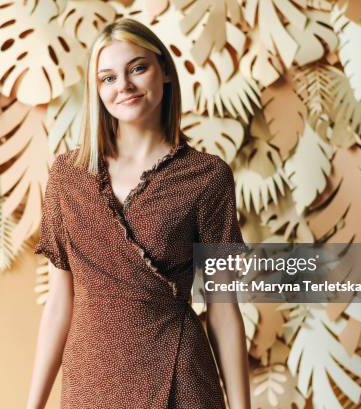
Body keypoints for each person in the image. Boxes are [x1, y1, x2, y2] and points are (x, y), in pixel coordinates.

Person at [26, 18, 251, 409]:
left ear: (164, 71)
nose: (124, 87)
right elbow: (60, 303)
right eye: (108, 78)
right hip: (90, 382)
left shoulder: (207, 176)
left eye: (137, 68)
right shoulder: (67, 176)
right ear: (97, 90)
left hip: (179, 376)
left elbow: (223, 310)